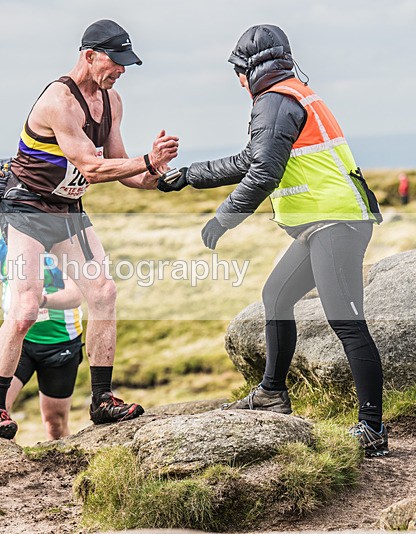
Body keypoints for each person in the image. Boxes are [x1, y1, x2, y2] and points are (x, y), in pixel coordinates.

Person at [158, 25, 387, 457]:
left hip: (336, 224)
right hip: (323, 225)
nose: (237, 82)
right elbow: (251, 159)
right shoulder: (288, 95)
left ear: (249, 69)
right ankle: (271, 394)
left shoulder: (275, 102)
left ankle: (372, 427)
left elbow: (263, 173)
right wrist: (189, 176)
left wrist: (224, 219)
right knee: (276, 296)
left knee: (347, 324)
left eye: (237, 72)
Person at [0, 19, 179, 439]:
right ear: (89, 55)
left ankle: (102, 400)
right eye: (116, 61)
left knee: (103, 292)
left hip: (68, 208)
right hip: (27, 208)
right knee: (27, 306)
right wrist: (145, 159)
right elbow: (92, 166)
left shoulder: (113, 102)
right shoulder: (59, 101)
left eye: (127, 62)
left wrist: (157, 173)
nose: (122, 69)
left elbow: (124, 169)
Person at [0, 223, 84, 440]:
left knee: (55, 423)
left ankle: (61, 471)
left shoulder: (63, 232)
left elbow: (76, 294)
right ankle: (4, 469)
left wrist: (39, 301)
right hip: (17, 340)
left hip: (59, 340)